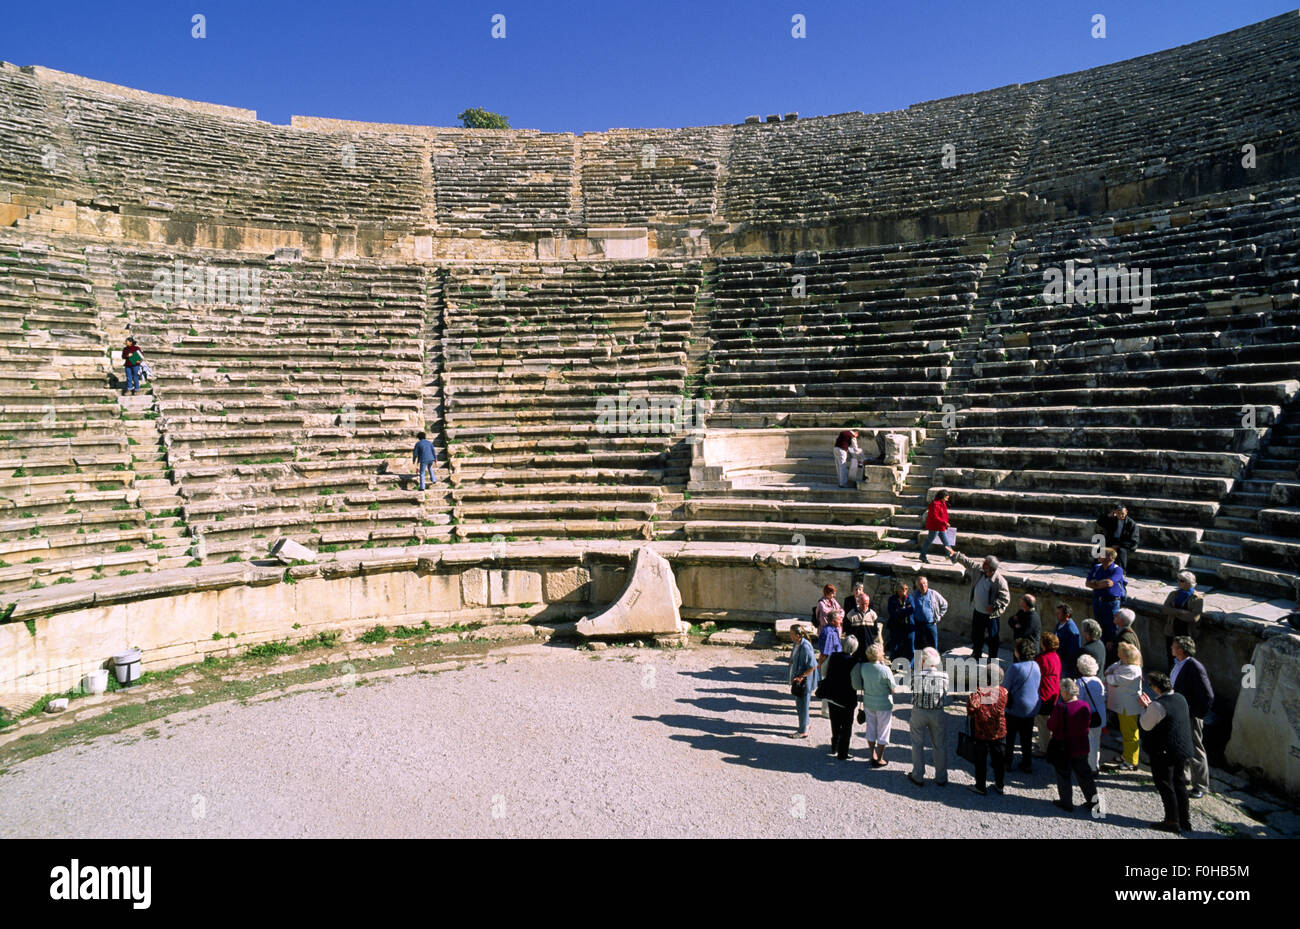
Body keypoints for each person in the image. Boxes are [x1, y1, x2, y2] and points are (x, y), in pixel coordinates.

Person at [1138, 671, 1194, 834]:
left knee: (1165, 784)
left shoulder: (1158, 705)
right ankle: (1184, 819)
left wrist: (1144, 708)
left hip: (1164, 752)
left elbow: (1146, 725)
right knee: (1179, 783)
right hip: (1181, 749)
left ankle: (1171, 820)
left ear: (1156, 688)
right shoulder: (1180, 698)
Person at [1170, 636, 1214, 799]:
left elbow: (1208, 695)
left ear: (1181, 650)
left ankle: (1201, 785)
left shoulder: (1194, 667)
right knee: (1182, 745)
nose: (1171, 648)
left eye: (1173, 646)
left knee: (1196, 748)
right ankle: (1185, 777)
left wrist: (1196, 713)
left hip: (1191, 714)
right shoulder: (1179, 664)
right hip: (1181, 712)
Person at [1047, 678, 1098, 812]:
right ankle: (1094, 803)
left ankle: (1066, 802)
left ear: (1064, 692)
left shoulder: (1060, 708)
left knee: (1063, 774)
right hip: (1081, 745)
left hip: (1064, 747)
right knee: (1085, 776)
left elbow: (1051, 725)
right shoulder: (1084, 705)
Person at [950, 551, 1010, 663]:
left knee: (992, 638)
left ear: (991, 568)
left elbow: (1005, 598)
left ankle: (992, 658)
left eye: (985, 564)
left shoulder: (1000, 581)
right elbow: (969, 563)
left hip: (991, 615)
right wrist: (957, 555)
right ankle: (976, 653)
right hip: (978, 611)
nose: (983, 564)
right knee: (977, 635)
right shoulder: (979, 571)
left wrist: (994, 605)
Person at [908, 646, 949, 787]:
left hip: (919, 711)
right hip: (937, 712)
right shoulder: (944, 676)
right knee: (939, 745)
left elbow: (912, 690)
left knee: (917, 744)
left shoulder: (916, 675)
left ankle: (918, 775)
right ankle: (941, 777)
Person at [852, 643, 898, 767]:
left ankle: (872, 754)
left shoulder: (864, 667)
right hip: (883, 704)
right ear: (879, 655)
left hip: (869, 702)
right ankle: (880, 758)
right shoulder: (885, 670)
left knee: (871, 729)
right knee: (883, 731)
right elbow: (893, 689)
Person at [966, 662, 1008, 796]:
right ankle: (999, 785)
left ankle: (980, 786)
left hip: (981, 732)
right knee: (999, 759)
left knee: (981, 760)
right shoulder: (1004, 691)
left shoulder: (978, 692)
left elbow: (971, 710)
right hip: (999, 731)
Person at [1003, 637, 1041, 772]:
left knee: (1010, 737)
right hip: (1032, 707)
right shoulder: (1036, 665)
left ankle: (1007, 762)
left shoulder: (1015, 668)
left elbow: (1005, 687)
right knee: (1026, 738)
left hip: (1015, 707)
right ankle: (1027, 763)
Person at [1104, 642, 1144, 771]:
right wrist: (1110, 674)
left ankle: (1131, 761)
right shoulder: (1123, 663)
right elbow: (1109, 670)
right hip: (1123, 706)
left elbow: (1112, 679)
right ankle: (1126, 755)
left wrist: (1110, 676)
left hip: (1128, 707)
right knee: (1126, 733)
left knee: (1130, 734)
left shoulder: (1132, 670)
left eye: (1120, 652)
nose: (1117, 653)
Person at [820, 635, 860, 760]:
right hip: (847, 699)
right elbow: (856, 684)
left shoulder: (833, 656)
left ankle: (834, 746)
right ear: (855, 648)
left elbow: (823, 671)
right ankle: (843, 752)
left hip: (832, 695)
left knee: (835, 723)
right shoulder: (854, 662)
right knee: (846, 727)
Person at [1086, 547, 1127, 643]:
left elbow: (1109, 583)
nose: (1099, 556)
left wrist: (1095, 583)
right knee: (1099, 629)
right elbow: (1087, 583)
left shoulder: (1117, 570)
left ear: (1109, 557)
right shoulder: (1096, 567)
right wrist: (1100, 583)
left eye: (1102, 554)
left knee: (1112, 629)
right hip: (1097, 602)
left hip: (1111, 604)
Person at [1075, 654, 1107, 774]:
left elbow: (1079, 701)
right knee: (1096, 742)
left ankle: (1091, 767)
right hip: (1099, 716)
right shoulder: (1098, 680)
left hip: (1087, 717)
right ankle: (1095, 765)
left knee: (1089, 743)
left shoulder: (1080, 682)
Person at [787, 624, 819, 739]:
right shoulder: (797, 643)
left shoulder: (805, 646)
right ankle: (806, 724)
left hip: (804, 682)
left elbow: (813, 666)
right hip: (798, 680)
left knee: (802, 705)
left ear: (798, 635)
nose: (789, 635)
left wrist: (801, 677)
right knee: (801, 704)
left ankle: (802, 731)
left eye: (791, 634)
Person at [1161, 571, 1203, 656]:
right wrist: (1181, 612)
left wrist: (1173, 612)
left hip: (1187, 632)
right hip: (1172, 629)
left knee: (1185, 656)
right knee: (1171, 655)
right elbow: (1165, 609)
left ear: (1189, 582)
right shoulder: (1174, 594)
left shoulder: (1197, 598)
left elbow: (1194, 617)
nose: (1179, 582)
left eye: (1182, 580)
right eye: (1178, 580)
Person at [1034, 632, 1062, 756]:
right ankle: (1046, 742)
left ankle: (1043, 749)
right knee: (1049, 720)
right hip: (1054, 692)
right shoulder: (1056, 656)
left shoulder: (1041, 659)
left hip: (1044, 694)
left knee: (1042, 722)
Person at [1095, 503, 1140, 574]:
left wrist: (1118, 545)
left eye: (1122, 513)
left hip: (1125, 544)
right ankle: (1099, 569)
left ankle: (1121, 572)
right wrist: (1108, 516)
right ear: (1115, 513)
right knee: (1100, 548)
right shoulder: (1113, 520)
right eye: (1118, 513)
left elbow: (1134, 541)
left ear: (1126, 512)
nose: (1121, 515)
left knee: (1121, 551)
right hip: (1112, 541)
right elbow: (1099, 522)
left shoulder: (1132, 524)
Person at [908, 575, 948, 653]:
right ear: (917, 586)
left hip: (931, 624)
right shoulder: (914, 595)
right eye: (920, 584)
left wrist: (939, 616)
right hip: (918, 624)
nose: (923, 586)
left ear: (927, 584)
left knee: (933, 646)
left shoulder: (933, 594)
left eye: (925, 583)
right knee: (918, 646)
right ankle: (918, 664)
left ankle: (934, 664)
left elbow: (944, 604)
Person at [843, 586, 880, 658]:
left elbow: (875, 631)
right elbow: (846, 631)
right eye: (862, 603)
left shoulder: (873, 615)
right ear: (858, 602)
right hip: (855, 648)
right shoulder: (851, 614)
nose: (864, 606)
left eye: (866, 603)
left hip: (869, 646)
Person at [919, 490, 955, 563]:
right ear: (942, 497)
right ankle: (922, 555)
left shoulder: (943, 503)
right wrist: (944, 523)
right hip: (934, 527)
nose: (947, 500)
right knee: (929, 541)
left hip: (941, 526)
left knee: (946, 543)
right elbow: (935, 517)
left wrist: (945, 524)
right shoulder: (934, 504)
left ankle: (953, 558)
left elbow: (944, 515)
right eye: (946, 498)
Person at [885, 581, 915, 663]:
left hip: (908, 626)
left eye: (906, 589)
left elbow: (912, 609)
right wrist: (904, 610)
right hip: (896, 626)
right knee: (895, 646)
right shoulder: (892, 599)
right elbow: (892, 612)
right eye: (902, 589)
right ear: (897, 590)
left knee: (909, 646)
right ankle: (894, 663)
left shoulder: (910, 598)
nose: (905, 590)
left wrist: (900, 610)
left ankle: (909, 664)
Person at [1054, 604, 1082, 680]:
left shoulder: (1071, 630)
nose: (1056, 615)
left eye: (1059, 613)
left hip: (1066, 666)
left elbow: (1072, 652)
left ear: (1067, 616)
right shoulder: (1060, 624)